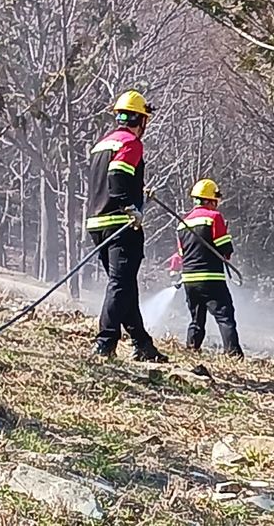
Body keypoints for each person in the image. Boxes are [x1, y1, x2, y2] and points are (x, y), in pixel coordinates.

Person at [86, 90, 168, 362]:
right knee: (120, 285)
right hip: (121, 225)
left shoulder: (103, 144)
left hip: (97, 223)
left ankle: (142, 344)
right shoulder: (131, 143)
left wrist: (139, 192)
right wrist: (129, 206)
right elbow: (118, 176)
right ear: (141, 120)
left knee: (125, 285)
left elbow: (110, 180)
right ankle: (105, 343)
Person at [175, 179, 243, 358]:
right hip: (211, 277)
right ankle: (233, 354)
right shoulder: (214, 217)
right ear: (210, 200)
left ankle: (192, 349)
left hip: (189, 278)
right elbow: (225, 249)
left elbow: (182, 253)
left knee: (196, 319)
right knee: (225, 316)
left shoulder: (182, 223)